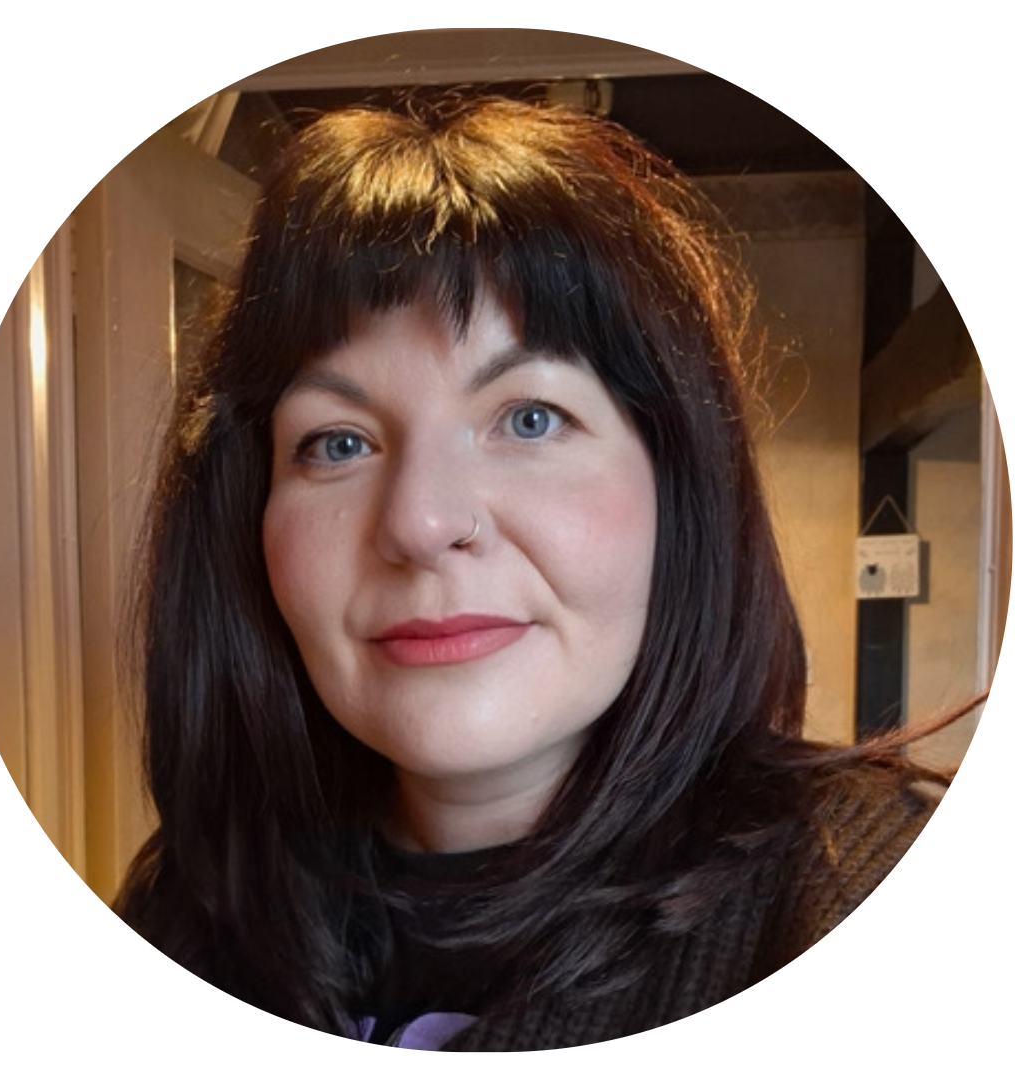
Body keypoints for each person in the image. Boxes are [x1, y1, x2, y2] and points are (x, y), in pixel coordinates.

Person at [116, 94, 955, 1051]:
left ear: (680, 488)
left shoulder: (878, 900)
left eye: (530, 418)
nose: (422, 523)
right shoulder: (189, 908)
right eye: (338, 441)